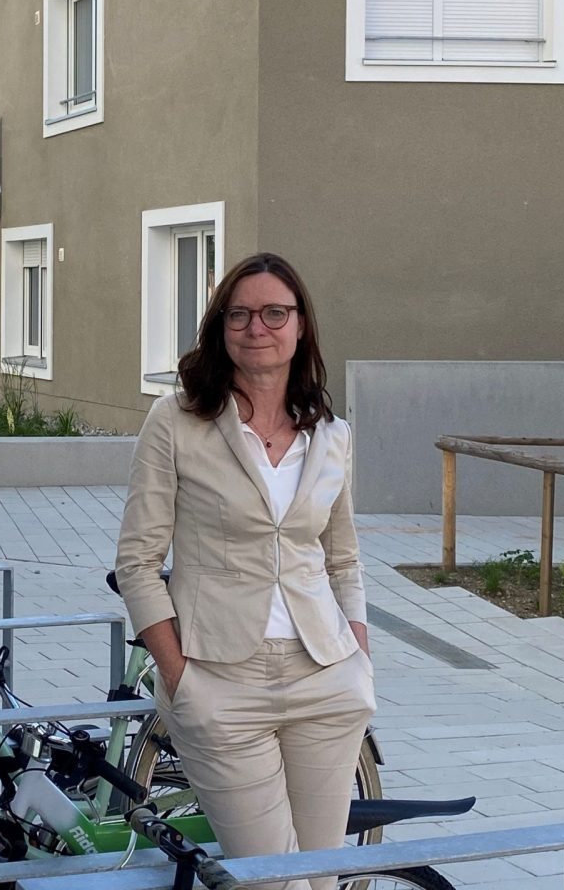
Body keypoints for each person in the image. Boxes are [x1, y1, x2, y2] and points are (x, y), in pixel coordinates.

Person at [114, 253, 373, 890]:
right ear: (220, 326)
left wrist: (358, 658)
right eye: (240, 313)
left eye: (274, 313)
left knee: (321, 878)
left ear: (302, 325)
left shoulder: (332, 434)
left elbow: (343, 559)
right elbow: (138, 562)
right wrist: (180, 678)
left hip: (324, 676)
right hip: (222, 684)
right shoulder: (176, 422)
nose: (257, 327)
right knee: (268, 882)